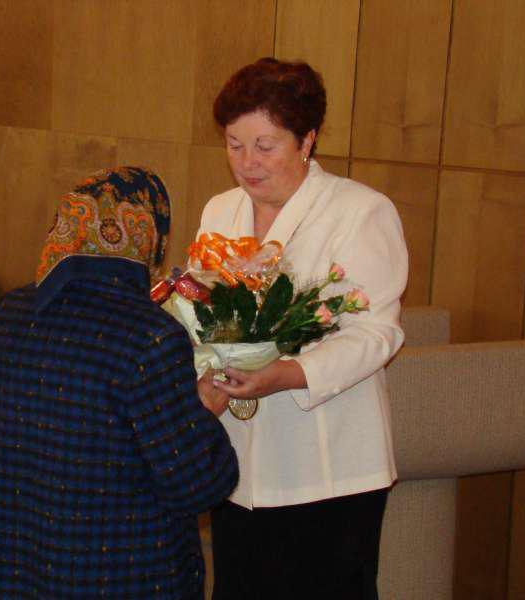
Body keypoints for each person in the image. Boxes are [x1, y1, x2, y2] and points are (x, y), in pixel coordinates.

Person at [0, 166, 238, 599]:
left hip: (25, 567)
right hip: (126, 574)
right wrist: (203, 411)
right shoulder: (150, 335)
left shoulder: (13, 311)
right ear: (149, 235)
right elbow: (198, 484)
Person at [199, 58, 409, 599]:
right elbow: (202, 312)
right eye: (234, 144)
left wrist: (289, 373)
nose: (247, 162)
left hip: (328, 465)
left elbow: (376, 333)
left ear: (307, 140)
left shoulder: (359, 211)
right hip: (238, 461)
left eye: (265, 146)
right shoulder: (220, 211)